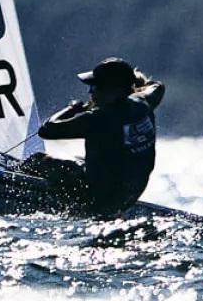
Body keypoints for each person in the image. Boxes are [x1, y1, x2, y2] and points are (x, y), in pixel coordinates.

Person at [20, 57, 165, 216]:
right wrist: (132, 80)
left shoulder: (98, 119)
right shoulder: (143, 102)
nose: (90, 92)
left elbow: (47, 130)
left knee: (36, 160)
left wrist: (71, 109)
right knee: (82, 160)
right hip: (129, 194)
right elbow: (157, 85)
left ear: (113, 90)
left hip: (96, 199)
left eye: (95, 87)